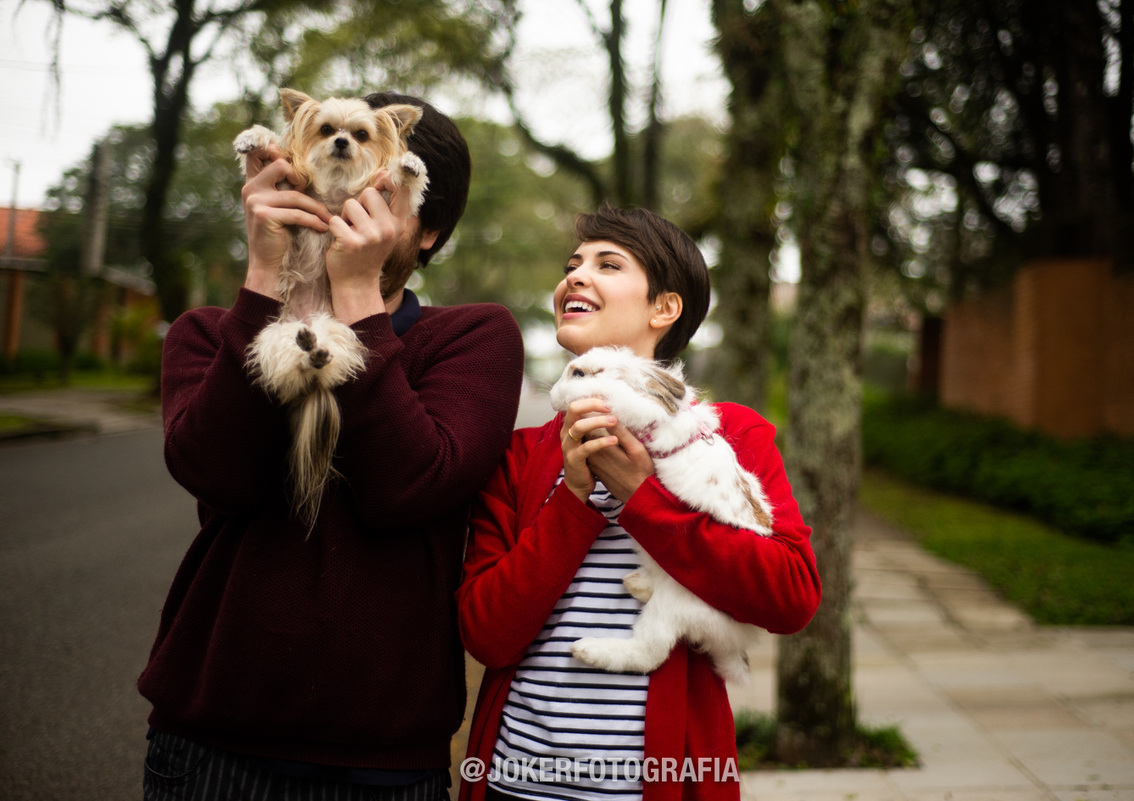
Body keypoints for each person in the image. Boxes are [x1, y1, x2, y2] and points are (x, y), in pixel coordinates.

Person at [138, 92, 525, 801]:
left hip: (386, 758)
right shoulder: (207, 332)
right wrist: (263, 278)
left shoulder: (472, 339)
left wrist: (356, 296)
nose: (349, 198)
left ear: (428, 228)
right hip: (209, 739)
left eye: (384, 192)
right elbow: (217, 476)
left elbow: (407, 486)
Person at [456, 206, 822, 801]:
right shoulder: (520, 455)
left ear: (664, 309)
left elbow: (791, 596)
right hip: (514, 780)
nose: (575, 275)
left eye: (607, 264)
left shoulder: (730, 436)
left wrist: (642, 498)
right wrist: (573, 500)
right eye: (572, 264)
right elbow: (487, 635)